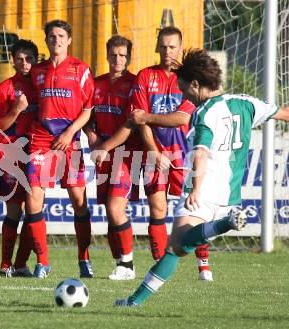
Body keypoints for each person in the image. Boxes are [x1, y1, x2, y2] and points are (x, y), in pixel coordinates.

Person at [115, 48, 289, 307]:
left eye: (184, 88)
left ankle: (224, 225)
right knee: (177, 245)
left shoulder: (204, 113)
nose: (182, 94)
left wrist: (195, 188)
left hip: (204, 188)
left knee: (177, 244)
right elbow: (283, 113)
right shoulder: (246, 102)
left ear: (196, 84)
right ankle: (133, 302)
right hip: (229, 194)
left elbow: (200, 152)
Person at [94, 26, 213, 280]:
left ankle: (203, 263)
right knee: (157, 207)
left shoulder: (190, 79)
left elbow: (180, 118)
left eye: (173, 46)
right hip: (154, 155)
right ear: (157, 47)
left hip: (185, 154)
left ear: (180, 48)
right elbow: (139, 121)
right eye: (163, 46)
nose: (168, 51)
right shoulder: (146, 76)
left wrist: (148, 116)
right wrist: (153, 151)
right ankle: (159, 265)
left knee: (195, 207)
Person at [24, 19, 95, 278]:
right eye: (52, 36)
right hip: (41, 139)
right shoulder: (37, 72)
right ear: (46, 40)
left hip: (70, 139)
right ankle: (42, 262)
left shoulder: (80, 69)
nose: (57, 40)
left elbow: (88, 109)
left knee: (79, 201)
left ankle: (84, 258)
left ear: (69, 40)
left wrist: (70, 132)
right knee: (33, 200)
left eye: (61, 35)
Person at [84, 35, 139, 280]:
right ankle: (120, 263)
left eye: (123, 55)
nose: (118, 59)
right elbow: (86, 117)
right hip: (102, 155)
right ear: (107, 55)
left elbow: (131, 123)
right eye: (114, 54)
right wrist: (92, 136)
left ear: (128, 57)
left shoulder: (135, 84)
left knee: (116, 207)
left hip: (125, 155)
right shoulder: (95, 84)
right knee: (110, 212)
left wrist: (105, 145)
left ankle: (128, 265)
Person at [0, 39, 39, 277]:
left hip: (38, 154)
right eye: (19, 59)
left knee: (34, 211)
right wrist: (16, 110)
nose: (24, 63)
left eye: (29, 58)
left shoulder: (43, 86)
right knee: (14, 211)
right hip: (11, 155)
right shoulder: (5, 88)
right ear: (13, 61)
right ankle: (5, 264)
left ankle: (21, 264)